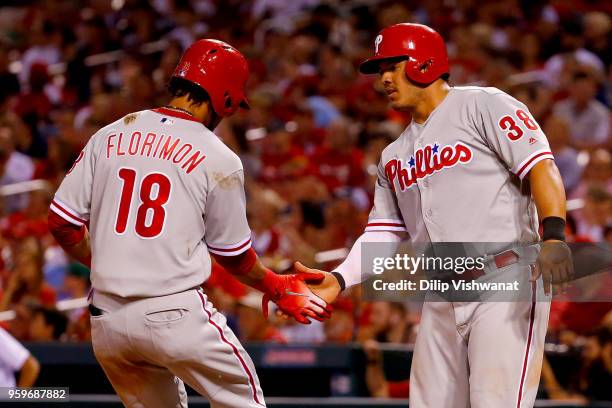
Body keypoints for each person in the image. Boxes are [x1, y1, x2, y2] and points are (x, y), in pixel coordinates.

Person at [298, 23, 573, 407]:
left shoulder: (483, 104)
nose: (384, 80)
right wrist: (340, 279)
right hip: (441, 293)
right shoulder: (393, 155)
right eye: (381, 72)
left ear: (423, 63)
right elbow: (382, 234)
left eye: (392, 67)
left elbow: (540, 166)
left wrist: (555, 235)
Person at [48, 39, 331, 408]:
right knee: (244, 402)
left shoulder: (111, 133)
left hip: (108, 322)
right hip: (174, 315)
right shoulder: (218, 156)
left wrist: (104, 260)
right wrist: (275, 285)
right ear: (225, 98)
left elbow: (61, 223)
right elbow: (235, 258)